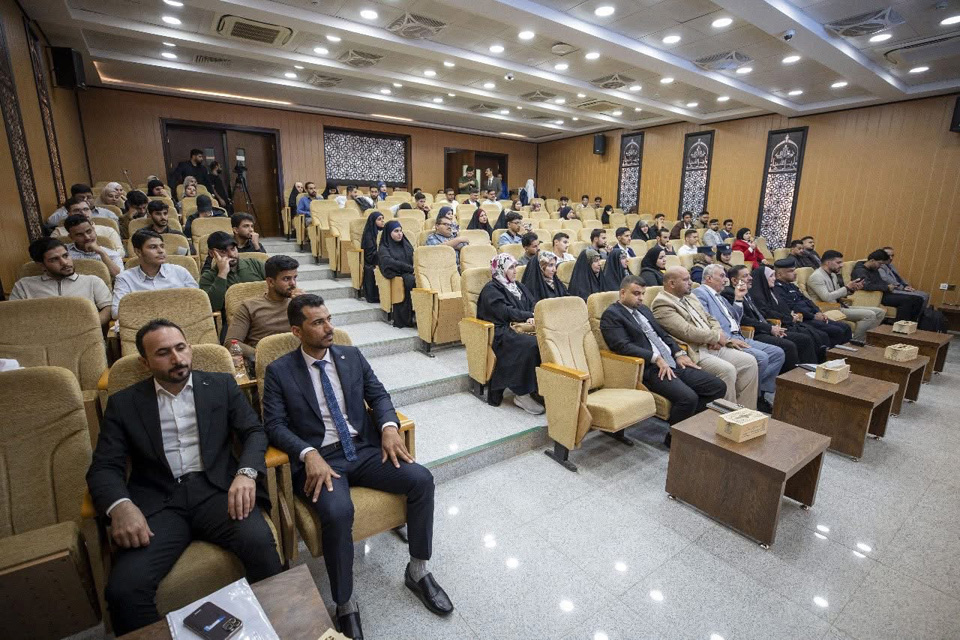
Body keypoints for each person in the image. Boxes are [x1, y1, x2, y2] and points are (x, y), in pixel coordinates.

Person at [261, 296, 452, 637]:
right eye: (318, 322)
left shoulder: (350, 356)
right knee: (337, 512)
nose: (329, 327)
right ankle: (345, 601)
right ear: (297, 331)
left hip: (362, 448)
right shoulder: (280, 371)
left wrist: (389, 427)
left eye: (329, 319)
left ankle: (418, 570)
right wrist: (307, 452)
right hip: (322, 460)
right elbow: (274, 425)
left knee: (421, 479)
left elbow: (378, 395)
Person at [87, 319, 282, 634]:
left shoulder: (220, 385)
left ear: (190, 348)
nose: (177, 359)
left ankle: (275, 629)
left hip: (218, 492)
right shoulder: (124, 404)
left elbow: (254, 432)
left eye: (180, 348)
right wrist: (120, 506)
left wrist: (246, 473)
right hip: (159, 503)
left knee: (260, 544)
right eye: (163, 353)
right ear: (145, 362)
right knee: (125, 589)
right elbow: (104, 466)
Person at [601, 275, 726, 438]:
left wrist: (679, 353)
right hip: (650, 368)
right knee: (688, 398)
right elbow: (622, 346)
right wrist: (655, 358)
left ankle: (686, 430)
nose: (641, 298)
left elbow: (663, 335)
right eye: (636, 293)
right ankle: (674, 439)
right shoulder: (612, 314)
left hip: (671, 361)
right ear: (623, 293)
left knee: (717, 386)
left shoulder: (644, 310)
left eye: (643, 294)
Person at [652, 267, 760, 409]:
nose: (691, 282)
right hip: (695, 351)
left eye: (690, 279)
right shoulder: (662, 304)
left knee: (749, 362)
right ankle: (728, 414)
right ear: (672, 283)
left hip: (712, 344)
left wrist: (717, 336)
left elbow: (711, 318)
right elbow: (686, 332)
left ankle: (747, 411)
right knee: (727, 370)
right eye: (686, 280)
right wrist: (715, 337)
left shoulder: (690, 296)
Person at [695, 264, 786, 411]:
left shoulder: (720, 297)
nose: (725, 280)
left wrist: (738, 299)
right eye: (722, 276)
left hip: (739, 335)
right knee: (761, 358)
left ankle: (759, 392)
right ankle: (750, 398)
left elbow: (735, 319)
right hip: (726, 340)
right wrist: (727, 340)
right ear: (709, 278)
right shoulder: (700, 293)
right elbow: (706, 322)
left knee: (777, 353)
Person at [476, 254, 544, 414]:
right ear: (501, 269)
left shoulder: (517, 285)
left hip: (521, 325)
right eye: (511, 267)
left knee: (546, 341)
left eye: (515, 266)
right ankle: (522, 392)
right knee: (531, 344)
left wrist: (533, 315)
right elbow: (505, 312)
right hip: (500, 330)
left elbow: (532, 303)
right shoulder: (491, 289)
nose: (515, 271)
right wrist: (528, 316)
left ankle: (537, 388)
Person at [723, 265, 807, 370]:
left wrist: (772, 326)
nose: (750, 278)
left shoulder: (745, 291)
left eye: (749, 275)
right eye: (745, 276)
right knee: (789, 346)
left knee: (803, 338)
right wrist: (769, 328)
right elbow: (743, 319)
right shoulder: (730, 294)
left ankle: (806, 370)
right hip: (753, 333)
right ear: (734, 281)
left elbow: (758, 315)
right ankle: (787, 378)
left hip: (764, 328)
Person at [12, 238, 112, 325]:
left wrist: (87, 326)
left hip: (85, 335)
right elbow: (13, 317)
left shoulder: (92, 281)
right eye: (54, 259)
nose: (64, 262)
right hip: (39, 337)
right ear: (41, 265)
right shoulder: (24, 286)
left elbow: (108, 308)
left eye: (65, 256)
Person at [225, 255, 303, 360]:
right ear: (270, 282)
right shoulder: (249, 306)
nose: (293, 283)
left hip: (298, 359)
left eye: (295, 278)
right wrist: (263, 356)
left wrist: (304, 305)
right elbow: (231, 343)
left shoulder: (299, 303)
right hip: (265, 362)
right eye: (286, 279)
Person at [748, 265, 829, 361]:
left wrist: (791, 314)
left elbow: (783, 307)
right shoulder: (757, 295)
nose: (774, 278)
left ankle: (821, 362)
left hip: (787, 322)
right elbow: (767, 313)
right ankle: (806, 366)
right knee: (805, 338)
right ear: (763, 278)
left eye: (774, 275)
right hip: (778, 325)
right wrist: (789, 318)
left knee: (818, 334)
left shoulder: (772, 291)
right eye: (771, 276)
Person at [112, 230, 199, 319]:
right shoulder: (125, 279)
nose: (160, 251)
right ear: (138, 251)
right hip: (142, 325)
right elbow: (116, 312)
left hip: (179, 322)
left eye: (162, 246)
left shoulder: (180, 272)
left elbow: (198, 301)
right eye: (153, 247)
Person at [807, 250, 885, 342]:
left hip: (840, 305)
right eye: (838, 262)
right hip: (827, 308)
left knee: (880, 312)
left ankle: (868, 340)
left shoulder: (832, 275)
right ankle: (857, 341)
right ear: (828, 263)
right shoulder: (816, 276)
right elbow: (826, 297)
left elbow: (838, 293)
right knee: (869, 315)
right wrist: (847, 287)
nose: (841, 265)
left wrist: (852, 289)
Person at [774, 258, 853, 348]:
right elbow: (792, 307)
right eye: (791, 271)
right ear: (779, 274)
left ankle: (849, 353)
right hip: (804, 319)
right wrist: (813, 316)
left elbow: (807, 300)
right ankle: (832, 354)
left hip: (812, 315)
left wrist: (818, 312)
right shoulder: (777, 288)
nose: (795, 273)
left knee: (846, 327)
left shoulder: (792, 286)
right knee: (836, 331)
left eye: (794, 270)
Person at [199, 232, 267, 315]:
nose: (231, 254)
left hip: (264, 313)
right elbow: (214, 307)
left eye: (233, 249)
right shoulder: (207, 277)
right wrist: (222, 274)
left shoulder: (254, 264)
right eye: (223, 251)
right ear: (212, 253)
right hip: (232, 319)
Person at [852, 250, 924, 322]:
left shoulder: (873, 268)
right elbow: (866, 285)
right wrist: (886, 287)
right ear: (872, 260)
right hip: (875, 296)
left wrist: (888, 286)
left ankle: (911, 324)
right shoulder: (860, 271)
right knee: (907, 301)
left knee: (918, 299)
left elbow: (879, 282)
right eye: (880, 263)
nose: (880, 266)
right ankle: (901, 325)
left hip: (883, 293)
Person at [378, 220, 416, 328]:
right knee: (410, 281)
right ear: (389, 233)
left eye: (400, 231)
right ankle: (407, 317)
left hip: (411, 272)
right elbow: (388, 262)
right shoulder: (384, 248)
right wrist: (409, 268)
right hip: (399, 275)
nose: (400, 234)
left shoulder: (406, 244)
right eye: (396, 231)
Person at [63, 213, 123, 278]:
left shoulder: (111, 254)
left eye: (89, 231)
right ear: (71, 237)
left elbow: (120, 277)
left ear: (94, 229)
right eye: (79, 235)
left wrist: (102, 253)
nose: (87, 237)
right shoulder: (63, 252)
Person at [52, 197, 124, 248]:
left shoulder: (108, 231)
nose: (83, 213)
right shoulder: (58, 233)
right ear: (68, 214)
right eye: (77, 210)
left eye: (86, 209)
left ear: (91, 211)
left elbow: (120, 251)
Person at [47, 183, 118, 228]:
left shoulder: (108, 214)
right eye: (81, 198)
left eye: (89, 197)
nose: (85, 200)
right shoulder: (67, 211)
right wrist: (70, 210)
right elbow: (51, 222)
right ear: (73, 198)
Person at [359, 210, 384, 302]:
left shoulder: (384, 232)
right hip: (372, 261)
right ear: (373, 221)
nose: (382, 221)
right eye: (379, 219)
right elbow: (370, 255)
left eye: (383, 218)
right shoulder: (369, 235)